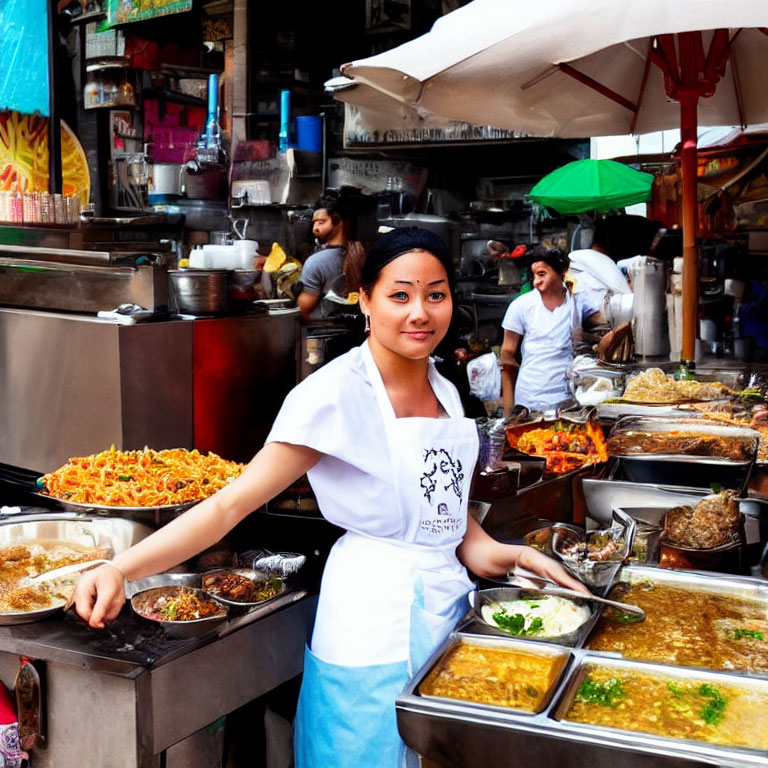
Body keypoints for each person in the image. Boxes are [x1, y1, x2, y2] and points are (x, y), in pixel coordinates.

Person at [74, 228, 587, 767]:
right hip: (369, 623)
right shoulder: (332, 395)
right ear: (365, 299)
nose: (420, 312)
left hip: (446, 617)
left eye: (435, 294)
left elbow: (451, 524)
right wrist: (121, 569)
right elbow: (230, 503)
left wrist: (516, 556)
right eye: (400, 295)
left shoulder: (445, 390)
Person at [500, 247, 605, 416]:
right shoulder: (522, 305)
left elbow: (605, 320)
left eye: (542, 274)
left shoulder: (576, 301)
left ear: (561, 273)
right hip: (529, 400)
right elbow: (506, 357)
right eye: (534, 275)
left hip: (565, 401)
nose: (536, 281)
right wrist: (508, 415)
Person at [297, 193, 365, 321]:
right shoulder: (364, 255)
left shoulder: (315, 263)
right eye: (314, 223)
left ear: (337, 220)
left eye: (321, 222)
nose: (315, 228)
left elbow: (302, 312)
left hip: (322, 332)